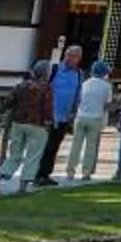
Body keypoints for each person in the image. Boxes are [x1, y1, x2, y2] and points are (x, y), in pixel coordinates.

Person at [0, 60, 55, 196]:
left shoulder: (21, 85)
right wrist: (49, 121)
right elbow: (47, 107)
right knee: (33, 155)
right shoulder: (46, 88)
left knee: (14, 155)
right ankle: (23, 186)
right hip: (37, 124)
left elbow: (8, 102)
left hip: (18, 123)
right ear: (46, 73)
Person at [64, 60, 115, 182]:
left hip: (81, 116)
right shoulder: (107, 86)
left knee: (75, 145)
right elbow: (107, 104)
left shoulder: (85, 83)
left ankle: (70, 171)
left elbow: (79, 100)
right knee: (90, 147)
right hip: (95, 118)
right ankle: (86, 172)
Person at [44, 44, 87, 184]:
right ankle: (36, 173)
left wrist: (74, 113)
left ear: (79, 58)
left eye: (73, 56)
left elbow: (77, 95)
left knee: (54, 146)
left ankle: (45, 174)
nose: (69, 58)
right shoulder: (54, 69)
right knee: (44, 145)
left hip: (64, 116)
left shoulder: (79, 74)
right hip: (49, 115)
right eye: (67, 55)